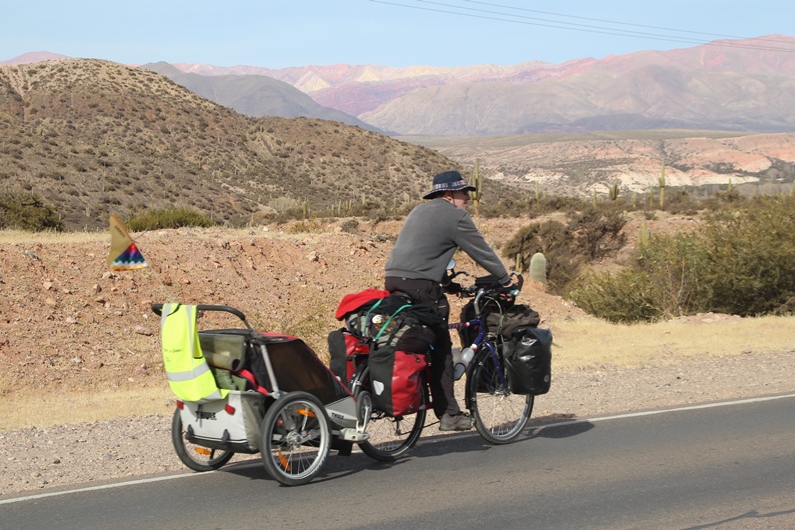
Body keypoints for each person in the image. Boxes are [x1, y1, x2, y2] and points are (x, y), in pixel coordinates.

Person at [384, 170, 513, 431]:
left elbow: (425, 251)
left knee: (417, 336)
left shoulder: (419, 211)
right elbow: (481, 250)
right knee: (442, 347)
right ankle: (449, 414)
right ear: (449, 194)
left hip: (394, 279)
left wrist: (448, 284)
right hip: (421, 286)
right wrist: (505, 279)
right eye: (464, 192)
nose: (467, 198)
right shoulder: (455, 216)